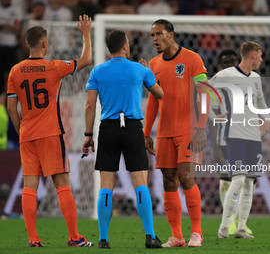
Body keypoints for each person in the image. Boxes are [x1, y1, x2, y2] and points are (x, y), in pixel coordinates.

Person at [7, 15, 93, 247]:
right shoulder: (53, 67)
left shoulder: (15, 71)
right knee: (62, 182)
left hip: (27, 135)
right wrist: (85, 33)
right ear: (45, 44)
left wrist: (21, 129)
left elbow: (11, 107)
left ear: (27, 44)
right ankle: (74, 237)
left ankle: (33, 239)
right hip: (50, 134)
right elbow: (86, 59)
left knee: (29, 186)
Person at [82, 30, 164, 249]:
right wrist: (148, 73)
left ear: (110, 48)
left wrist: (88, 135)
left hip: (108, 128)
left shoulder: (98, 71)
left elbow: (90, 106)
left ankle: (103, 239)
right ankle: (150, 236)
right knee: (141, 183)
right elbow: (160, 93)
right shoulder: (139, 69)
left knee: (106, 186)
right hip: (132, 127)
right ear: (126, 46)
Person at [141, 19, 209, 248]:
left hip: (189, 129)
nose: (155, 39)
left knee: (186, 177)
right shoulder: (153, 63)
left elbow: (205, 94)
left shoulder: (192, 59)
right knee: (168, 181)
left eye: (159, 34)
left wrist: (201, 127)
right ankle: (177, 236)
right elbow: (152, 101)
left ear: (171, 34)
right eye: (152, 35)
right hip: (164, 132)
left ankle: (197, 233)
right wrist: (147, 131)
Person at [209, 41, 270, 239]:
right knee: (237, 179)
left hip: (253, 135)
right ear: (253, 54)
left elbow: (260, 100)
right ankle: (224, 227)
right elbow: (202, 92)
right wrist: (211, 116)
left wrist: (267, 119)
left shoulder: (255, 78)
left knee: (250, 182)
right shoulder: (226, 75)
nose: (262, 59)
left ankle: (242, 228)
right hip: (234, 134)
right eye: (260, 55)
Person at [209, 48, 254, 236]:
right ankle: (229, 221)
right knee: (228, 180)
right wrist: (215, 147)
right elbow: (211, 119)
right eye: (226, 63)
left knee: (248, 181)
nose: (230, 65)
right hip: (225, 139)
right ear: (221, 66)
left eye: (233, 61)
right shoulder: (216, 86)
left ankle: (240, 222)